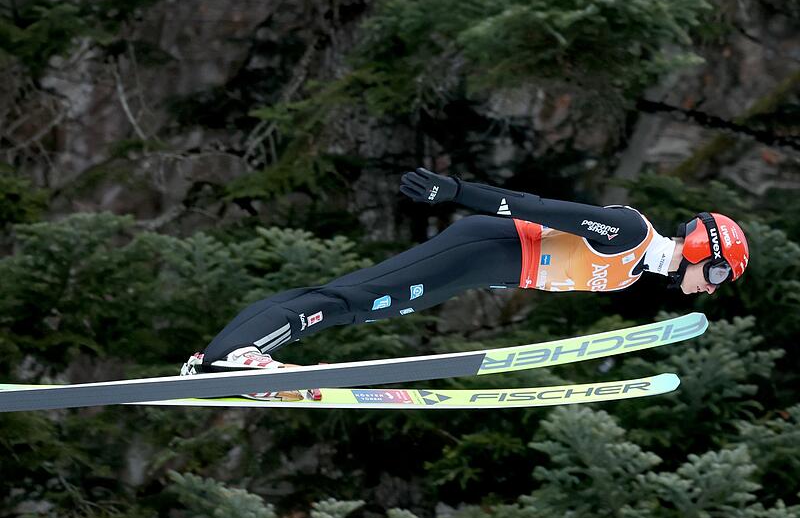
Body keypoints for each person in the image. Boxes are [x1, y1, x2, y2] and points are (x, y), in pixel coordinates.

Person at [181, 168, 750, 400]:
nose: (712, 286)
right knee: (350, 301)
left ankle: (217, 359)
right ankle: (241, 357)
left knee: (349, 303)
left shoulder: (634, 269)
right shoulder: (630, 233)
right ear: (704, 248)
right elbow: (540, 207)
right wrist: (455, 191)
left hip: (478, 268)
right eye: (719, 272)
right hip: (479, 249)